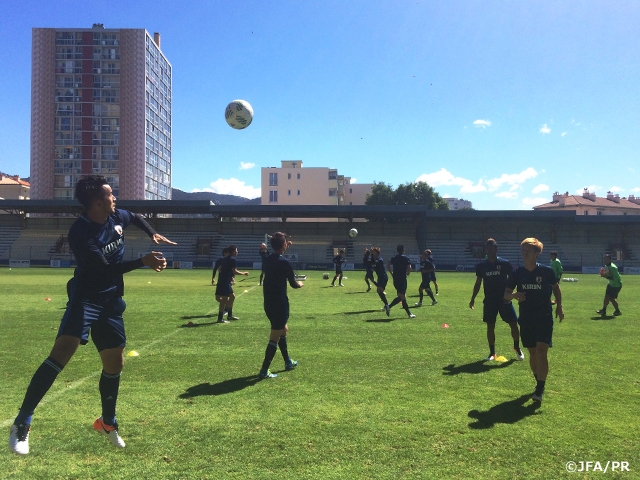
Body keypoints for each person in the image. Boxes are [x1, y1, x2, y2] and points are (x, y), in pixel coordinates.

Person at [9, 175, 175, 455]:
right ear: (97, 202)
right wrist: (142, 262)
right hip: (86, 298)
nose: (115, 199)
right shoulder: (80, 233)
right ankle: (22, 422)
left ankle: (107, 422)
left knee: (115, 363)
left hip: (111, 301)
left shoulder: (116, 216)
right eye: (111, 195)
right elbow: (102, 271)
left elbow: (134, 215)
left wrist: (151, 233)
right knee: (61, 352)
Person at [505, 238, 564, 404]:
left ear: (537, 253)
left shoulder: (546, 271)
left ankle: (540, 388)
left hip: (544, 316)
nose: (524, 253)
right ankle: (538, 379)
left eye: (528, 250)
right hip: (526, 318)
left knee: (541, 350)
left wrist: (559, 306)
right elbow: (506, 294)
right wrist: (514, 295)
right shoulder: (517, 274)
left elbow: (556, 288)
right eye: (523, 250)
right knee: (532, 352)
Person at [469, 238, 524, 361]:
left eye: (491, 247)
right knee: (490, 326)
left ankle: (517, 347)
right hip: (489, 301)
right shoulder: (482, 266)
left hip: (504, 300)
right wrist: (473, 298)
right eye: (487, 248)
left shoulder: (504, 264)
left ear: (496, 249)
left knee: (514, 324)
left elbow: (513, 279)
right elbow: (478, 283)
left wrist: (512, 294)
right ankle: (492, 353)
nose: (489, 250)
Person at [259, 232, 303, 379]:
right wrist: (300, 284)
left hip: (268, 303)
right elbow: (293, 284)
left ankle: (288, 362)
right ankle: (264, 370)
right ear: (284, 244)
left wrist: (284, 246)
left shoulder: (267, 260)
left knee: (283, 329)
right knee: (275, 336)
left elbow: (276, 257)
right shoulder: (285, 263)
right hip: (280, 303)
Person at [215, 245, 249, 323]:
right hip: (225, 282)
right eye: (236, 250)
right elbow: (235, 271)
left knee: (232, 297)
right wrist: (244, 273)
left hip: (221, 281)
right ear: (233, 251)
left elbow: (220, 269)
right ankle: (220, 319)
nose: (237, 252)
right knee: (224, 300)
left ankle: (230, 315)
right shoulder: (232, 260)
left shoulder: (223, 259)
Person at [386, 245, 415, 318]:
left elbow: (387, 265)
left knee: (402, 296)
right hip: (402, 278)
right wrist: (408, 273)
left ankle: (409, 314)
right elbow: (409, 267)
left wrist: (391, 273)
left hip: (395, 279)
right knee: (401, 296)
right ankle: (389, 306)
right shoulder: (405, 258)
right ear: (403, 250)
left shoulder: (394, 258)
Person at [371, 247, 390, 314]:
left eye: (374, 252)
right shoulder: (374, 259)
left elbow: (376, 264)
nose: (373, 253)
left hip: (383, 277)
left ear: (377, 253)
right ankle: (386, 304)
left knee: (379, 290)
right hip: (380, 277)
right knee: (379, 291)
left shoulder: (379, 259)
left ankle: (387, 305)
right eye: (373, 252)